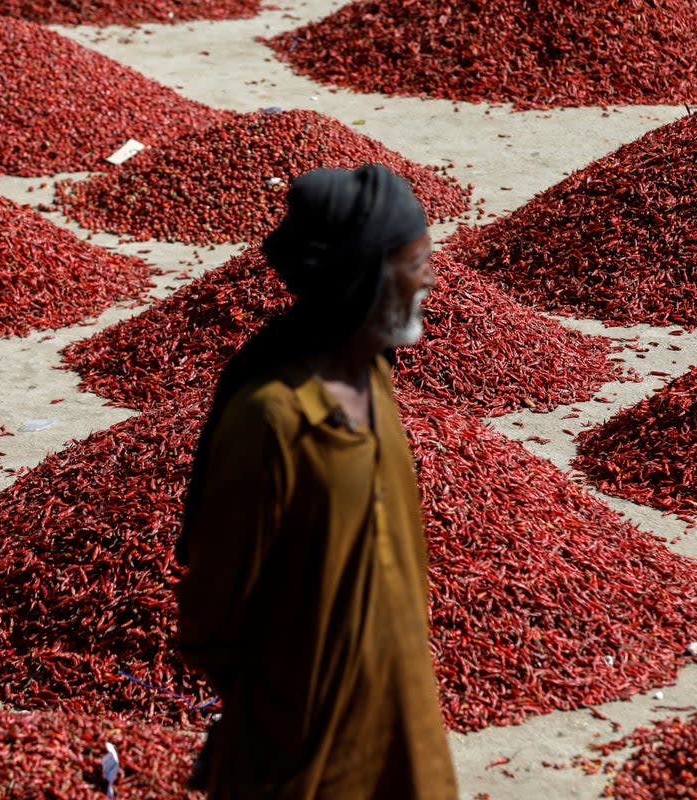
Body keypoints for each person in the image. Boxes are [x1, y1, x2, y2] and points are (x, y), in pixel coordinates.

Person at [174, 163, 458, 800]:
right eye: (417, 262)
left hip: (403, 716)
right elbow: (212, 610)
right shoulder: (272, 417)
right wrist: (287, 691)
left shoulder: (374, 375)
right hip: (305, 745)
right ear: (366, 280)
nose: (431, 278)